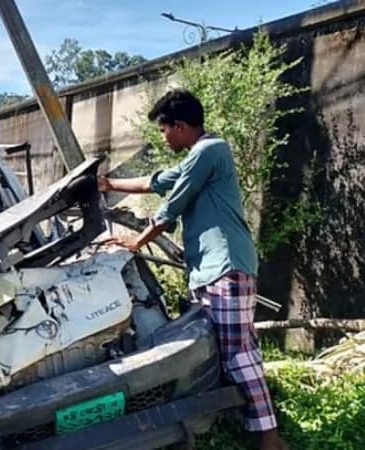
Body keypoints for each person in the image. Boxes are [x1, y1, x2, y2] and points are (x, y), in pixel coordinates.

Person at [99, 89, 286, 450]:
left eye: (165, 130)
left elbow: (171, 207)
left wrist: (137, 241)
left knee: (239, 354)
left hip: (225, 266)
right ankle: (243, 418)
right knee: (226, 348)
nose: (163, 137)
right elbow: (154, 182)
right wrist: (108, 185)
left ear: (181, 126)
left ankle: (270, 438)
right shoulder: (197, 158)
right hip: (210, 270)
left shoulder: (208, 151)